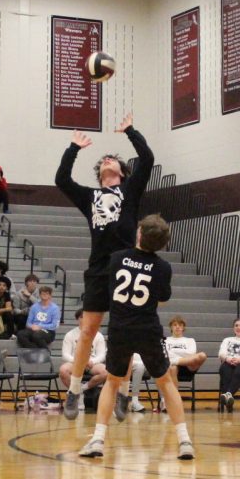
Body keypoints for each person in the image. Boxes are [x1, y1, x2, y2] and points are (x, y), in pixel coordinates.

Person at [56, 111, 154, 419]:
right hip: (99, 267)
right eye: (105, 159)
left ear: (122, 171)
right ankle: (73, 391)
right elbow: (61, 180)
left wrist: (131, 131)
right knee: (88, 330)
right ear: (101, 173)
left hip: (126, 266)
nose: (109, 159)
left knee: (124, 333)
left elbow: (148, 159)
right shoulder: (90, 196)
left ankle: (123, 392)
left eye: (114, 158)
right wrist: (72, 148)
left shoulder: (130, 190)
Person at [79, 215, 193, 460]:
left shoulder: (117, 258)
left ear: (139, 233)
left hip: (120, 328)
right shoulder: (163, 267)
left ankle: (98, 439)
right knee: (164, 382)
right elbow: (162, 299)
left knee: (112, 382)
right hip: (147, 329)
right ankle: (184, 441)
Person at [59, 310, 107, 404]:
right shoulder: (70, 335)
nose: (84, 319)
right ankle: (76, 393)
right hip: (75, 362)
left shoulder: (98, 335)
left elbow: (102, 355)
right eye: (81, 317)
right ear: (77, 319)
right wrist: (79, 361)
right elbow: (65, 355)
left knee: (106, 371)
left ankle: (81, 389)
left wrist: (92, 361)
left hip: (91, 363)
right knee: (63, 370)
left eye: (86, 317)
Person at [164, 316, 208, 411]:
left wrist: (175, 356)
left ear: (183, 327)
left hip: (189, 366)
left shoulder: (190, 340)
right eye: (175, 325)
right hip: (172, 368)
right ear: (171, 327)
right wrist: (182, 355)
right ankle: (175, 400)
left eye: (180, 325)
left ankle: (175, 361)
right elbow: (166, 354)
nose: (177, 327)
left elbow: (191, 353)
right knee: (172, 367)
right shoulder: (166, 340)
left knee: (202, 355)